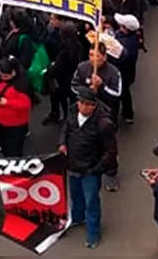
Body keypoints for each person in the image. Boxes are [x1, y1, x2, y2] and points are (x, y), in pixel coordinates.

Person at [59, 88, 118, 249]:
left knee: (91, 201)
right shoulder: (73, 113)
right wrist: (62, 143)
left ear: (94, 106)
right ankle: (77, 218)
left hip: (90, 170)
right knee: (76, 195)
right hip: (73, 165)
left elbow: (111, 151)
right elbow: (65, 128)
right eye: (81, 103)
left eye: (87, 104)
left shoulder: (103, 124)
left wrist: (98, 168)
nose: (83, 107)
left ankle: (93, 233)